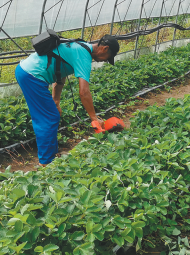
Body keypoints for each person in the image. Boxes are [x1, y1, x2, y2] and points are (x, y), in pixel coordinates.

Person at [15, 35, 120, 166]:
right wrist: (94, 118)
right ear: (105, 48)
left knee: (52, 115)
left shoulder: (79, 45)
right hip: (31, 76)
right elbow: (84, 92)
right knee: (48, 118)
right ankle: (47, 162)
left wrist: (56, 101)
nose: (104, 61)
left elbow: (60, 73)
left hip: (28, 72)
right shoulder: (83, 55)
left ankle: (51, 156)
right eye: (107, 58)